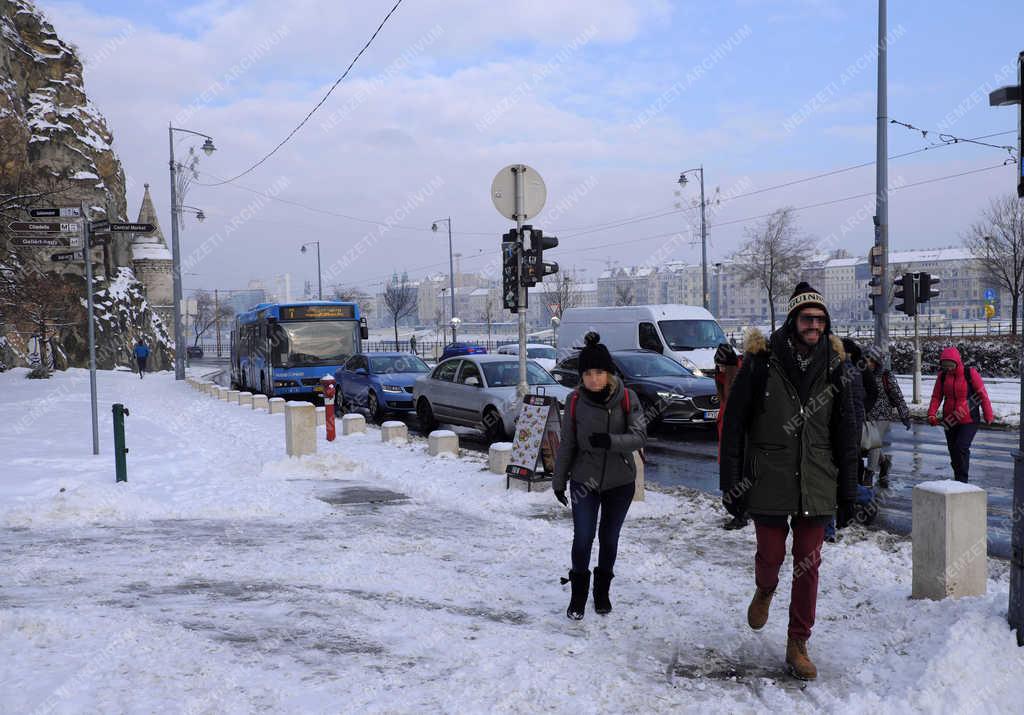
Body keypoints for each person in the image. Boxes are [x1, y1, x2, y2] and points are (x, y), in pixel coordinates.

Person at [720, 282, 859, 681]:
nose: (814, 325)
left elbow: (848, 433)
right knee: (770, 555)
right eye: (807, 318)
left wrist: (848, 492)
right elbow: (734, 426)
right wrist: (731, 483)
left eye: (820, 319)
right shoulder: (761, 362)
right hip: (768, 477)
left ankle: (798, 642)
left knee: (808, 564)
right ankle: (765, 589)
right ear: (793, 320)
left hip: (817, 480)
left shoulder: (837, 367)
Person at [553, 331, 647, 621]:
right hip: (585, 481)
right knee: (583, 538)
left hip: (620, 482)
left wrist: (611, 441)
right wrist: (558, 480)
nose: (593, 379)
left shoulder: (627, 398)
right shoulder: (573, 401)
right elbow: (567, 444)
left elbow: (640, 436)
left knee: (609, 538)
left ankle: (602, 592)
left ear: (609, 373)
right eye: (587, 374)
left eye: (599, 373)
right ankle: (578, 595)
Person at [927, 347, 994, 483]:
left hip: (969, 419)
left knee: (961, 448)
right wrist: (931, 414)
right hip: (950, 420)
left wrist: (988, 414)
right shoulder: (942, 376)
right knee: (953, 452)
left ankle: (962, 481)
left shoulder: (970, 373)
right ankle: (958, 479)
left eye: (951, 365)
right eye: (945, 366)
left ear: (957, 362)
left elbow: (982, 394)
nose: (948, 368)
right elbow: (936, 396)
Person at [863, 345, 911, 488]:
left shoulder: (886, 375)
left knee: (873, 443)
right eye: (866, 359)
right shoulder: (861, 375)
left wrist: (904, 415)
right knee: (868, 444)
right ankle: (884, 462)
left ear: (877, 362)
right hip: (865, 414)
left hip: (882, 415)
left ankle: (869, 475)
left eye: (871, 360)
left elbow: (897, 396)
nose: (868, 363)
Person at [714, 341, 747, 530]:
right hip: (727, 444)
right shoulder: (726, 379)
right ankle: (740, 514)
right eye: (718, 366)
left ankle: (740, 515)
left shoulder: (737, 380)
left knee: (732, 486)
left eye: (722, 365)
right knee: (730, 485)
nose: (720, 369)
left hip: (734, 445)